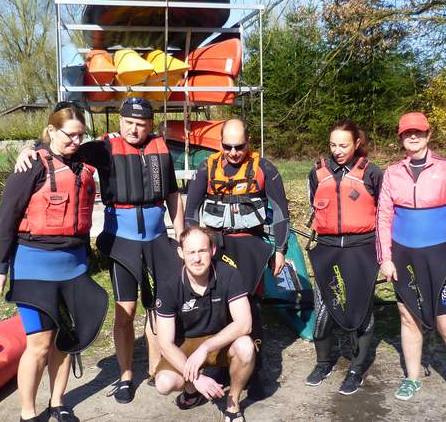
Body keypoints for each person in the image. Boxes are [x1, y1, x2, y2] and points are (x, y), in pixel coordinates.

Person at [15, 97, 185, 404]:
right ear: (120, 122)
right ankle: (125, 376)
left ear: (151, 125)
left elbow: (172, 194)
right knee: (127, 311)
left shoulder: (162, 149)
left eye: (142, 124)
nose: (135, 130)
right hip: (122, 241)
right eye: (129, 123)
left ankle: (156, 367)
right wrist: (31, 147)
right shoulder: (105, 148)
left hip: (158, 239)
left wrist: (182, 232)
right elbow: (61, 148)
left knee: (158, 308)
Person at [0, 102, 109, 422]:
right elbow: (7, 217)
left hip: (74, 265)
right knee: (40, 344)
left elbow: (113, 143)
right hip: (34, 264)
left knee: (66, 340)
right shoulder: (31, 164)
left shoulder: (83, 158)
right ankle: (28, 413)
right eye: (69, 135)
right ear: (52, 130)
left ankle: (59, 402)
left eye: (80, 135)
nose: (75, 141)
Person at [376, 112, 446, 422]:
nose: (413, 137)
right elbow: (382, 217)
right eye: (407, 132)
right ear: (400, 137)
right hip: (405, 257)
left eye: (418, 132)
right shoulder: (393, 173)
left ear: (428, 134)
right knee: (409, 319)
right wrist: (385, 258)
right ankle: (412, 377)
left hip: (441, 257)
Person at [183, 118, 289, 398]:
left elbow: (280, 212)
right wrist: (191, 248)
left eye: (239, 146)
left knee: (251, 309)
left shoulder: (264, 168)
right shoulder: (207, 167)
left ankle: (254, 373)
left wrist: (280, 250)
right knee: (215, 306)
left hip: (250, 246)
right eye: (227, 146)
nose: (233, 152)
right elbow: (191, 211)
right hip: (216, 245)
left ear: (248, 141)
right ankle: (217, 367)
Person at [304, 119, 382, 395]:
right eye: (333, 145)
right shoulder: (317, 173)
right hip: (326, 248)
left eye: (343, 145)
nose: (337, 150)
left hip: (361, 248)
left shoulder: (372, 173)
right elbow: (313, 204)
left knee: (360, 311)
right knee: (324, 306)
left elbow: (384, 215)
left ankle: (356, 369)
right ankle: (323, 362)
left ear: (357, 143)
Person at [154, 226, 255, 422]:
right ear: (181, 253)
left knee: (246, 346)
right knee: (164, 384)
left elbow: (245, 324)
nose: (197, 258)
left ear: (212, 251)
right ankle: (192, 390)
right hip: (185, 345)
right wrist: (197, 378)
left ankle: (232, 404)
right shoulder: (168, 285)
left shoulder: (229, 274)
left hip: (219, 340)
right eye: (191, 252)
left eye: (202, 251)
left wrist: (206, 347)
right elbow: (165, 343)